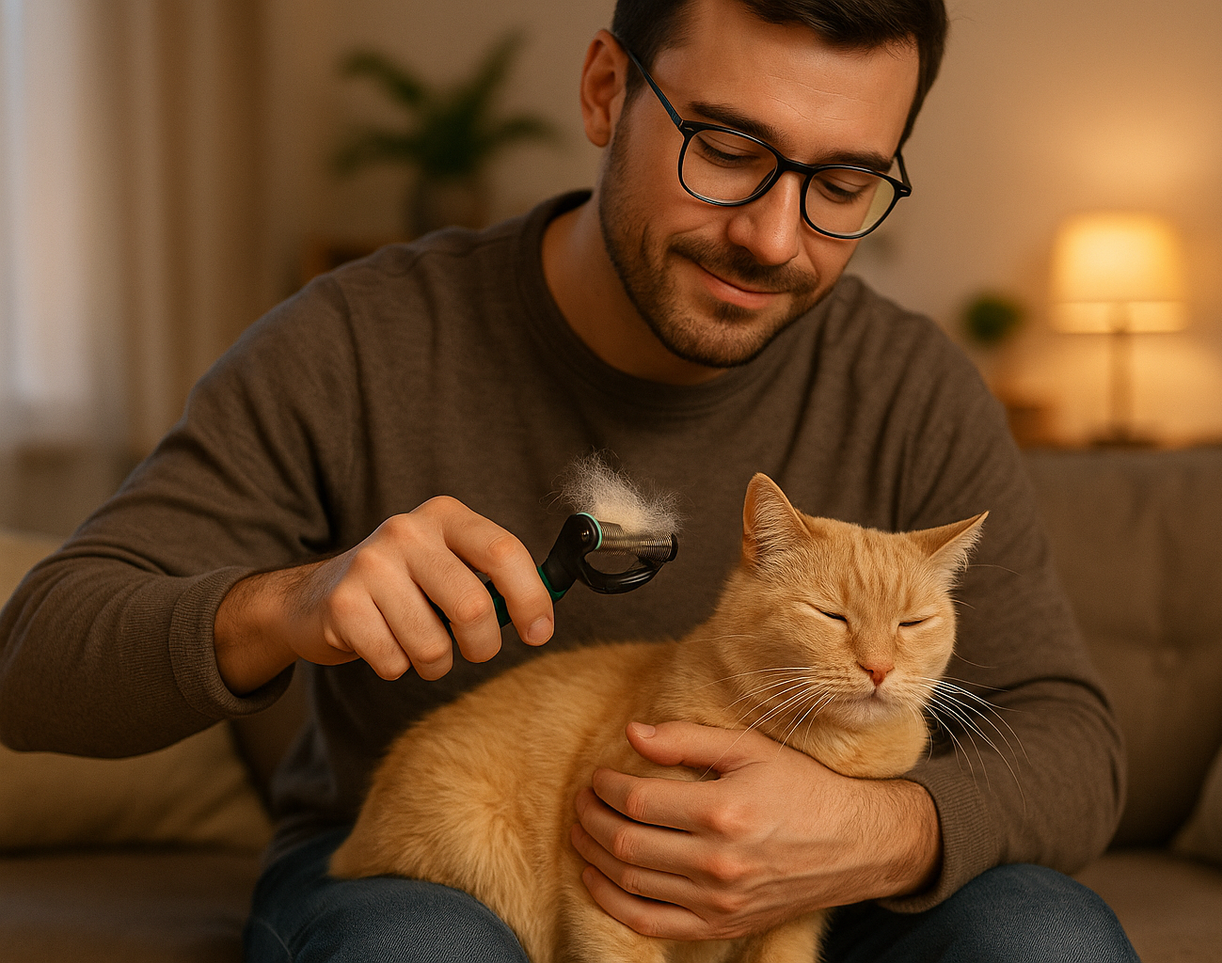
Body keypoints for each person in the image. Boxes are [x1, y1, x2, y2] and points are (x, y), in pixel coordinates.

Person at [0, 0, 1139, 960]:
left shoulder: (908, 380)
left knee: (1045, 935)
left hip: (819, 892)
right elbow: (34, 662)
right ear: (605, 90)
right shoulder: (357, 340)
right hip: (444, 878)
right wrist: (286, 604)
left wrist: (869, 832)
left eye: (842, 181)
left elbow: (1072, 744)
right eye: (729, 148)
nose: (773, 237)